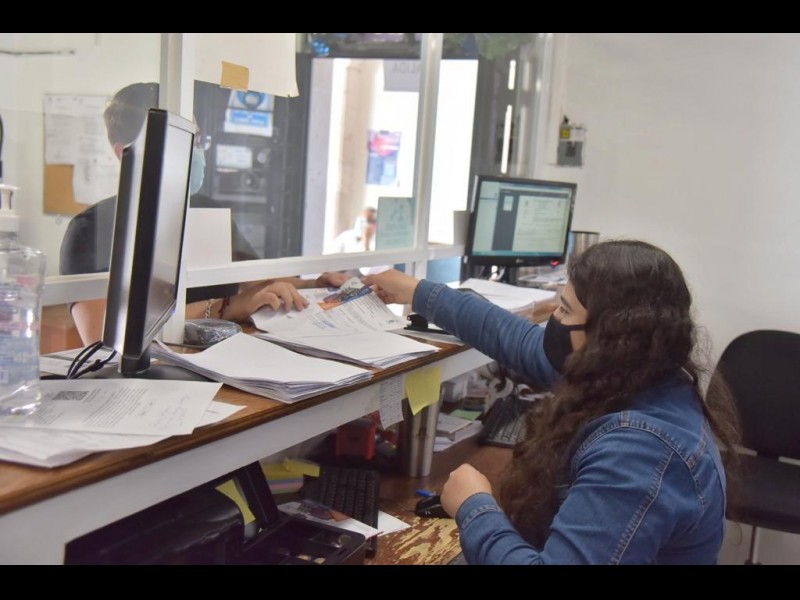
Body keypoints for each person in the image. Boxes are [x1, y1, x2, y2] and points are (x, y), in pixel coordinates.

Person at [364, 239, 742, 564]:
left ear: (609, 334)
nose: (554, 323)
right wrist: (416, 290)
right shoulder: (640, 371)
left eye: (565, 309)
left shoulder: (639, 451)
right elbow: (513, 337)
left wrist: (473, 505)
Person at [60, 82, 347, 345]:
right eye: (179, 141)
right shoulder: (92, 230)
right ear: (125, 153)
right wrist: (227, 308)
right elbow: (101, 335)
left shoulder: (207, 210)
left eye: (197, 140)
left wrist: (315, 285)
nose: (194, 151)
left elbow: (256, 281)